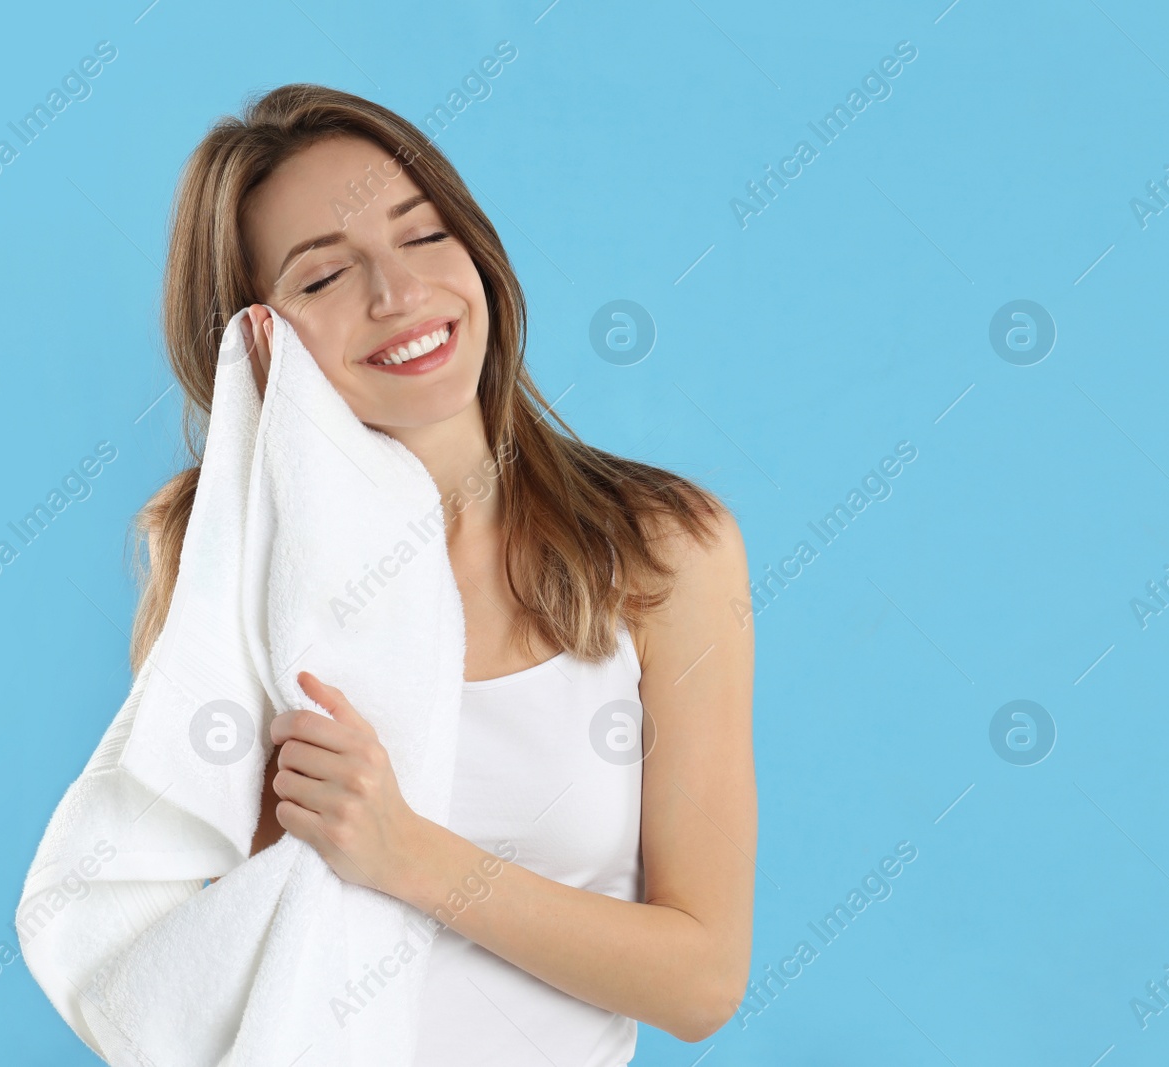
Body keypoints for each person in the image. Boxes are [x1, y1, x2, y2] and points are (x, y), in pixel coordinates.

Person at [129, 83, 756, 1063]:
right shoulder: (218, 560)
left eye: (422, 237)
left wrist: (409, 853)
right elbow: (195, 963)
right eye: (324, 276)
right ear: (259, 338)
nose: (397, 293)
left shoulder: (661, 545)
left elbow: (701, 980)